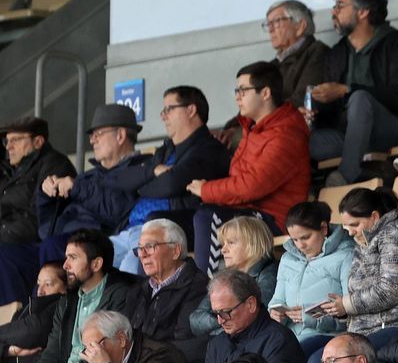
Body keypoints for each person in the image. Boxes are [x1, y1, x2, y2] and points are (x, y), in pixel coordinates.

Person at [0, 230, 137, 363]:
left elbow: (102, 358)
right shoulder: (68, 300)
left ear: (96, 264)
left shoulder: (119, 295)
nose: (65, 265)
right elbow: (52, 351)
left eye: (73, 258)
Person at [190, 62, 311, 267]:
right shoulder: (252, 128)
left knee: (208, 216)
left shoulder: (287, 134)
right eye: (236, 90)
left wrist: (207, 189)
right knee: (164, 220)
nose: (237, 96)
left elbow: (252, 186)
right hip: (248, 210)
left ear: (265, 93)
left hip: (275, 219)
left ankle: (208, 295)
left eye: (243, 90)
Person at [310, 0, 398, 186]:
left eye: (340, 6)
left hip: (390, 130)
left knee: (360, 98)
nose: (333, 12)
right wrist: (314, 109)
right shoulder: (336, 53)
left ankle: (345, 176)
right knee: (296, 137)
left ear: (363, 12)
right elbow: (331, 110)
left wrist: (347, 90)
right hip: (348, 137)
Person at [114, 84, 230, 268]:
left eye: (169, 109)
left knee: (130, 264)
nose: (163, 115)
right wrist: (151, 172)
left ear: (191, 110)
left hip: (168, 228)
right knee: (92, 255)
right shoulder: (166, 150)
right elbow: (120, 180)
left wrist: (141, 186)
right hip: (131, 229)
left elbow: (171, 184)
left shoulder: (208, 149)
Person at [188, 270, 311, 363]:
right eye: (215, 314)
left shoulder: (278, 341)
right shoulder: (217, 344)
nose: (220, 321)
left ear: (251, 304)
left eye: (226, 312)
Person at [34, 103, 154, 256]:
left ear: (120, 136)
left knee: (51, 247)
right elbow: (45, 227)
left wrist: (77, 186)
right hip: (56, 241)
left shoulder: (140, 171)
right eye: (91, 136)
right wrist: (47, 195)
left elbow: (116, 212)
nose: (92, 141)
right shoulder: (88, 176)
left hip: (94, 245)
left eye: (98, 134)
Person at [329, 186, 398, 352]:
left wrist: (347, 304)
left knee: (335, 360)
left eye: (354, 225)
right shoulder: (363, 241)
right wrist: (342, 310)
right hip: (363, 330)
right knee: (317, 358)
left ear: (374, 216)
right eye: (346, 227)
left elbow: (391, 288)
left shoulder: (395, 233)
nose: (350, 232)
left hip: (394, 325)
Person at [0, 118, 74, 304]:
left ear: (38, 142)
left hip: (35, 244)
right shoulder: (11, 170)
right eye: (6, 141)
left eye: (15, 140)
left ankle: (14, 321)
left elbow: (38, 218)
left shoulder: (55, 164)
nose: (9, 146)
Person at [270, 201, 356, 355]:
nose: (300, 245)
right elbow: (277, 299)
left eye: (305, 237)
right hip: (288, 336)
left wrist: (309, 318)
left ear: (323, 229)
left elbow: (350, 314)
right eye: (295, 240)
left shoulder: (346, 256)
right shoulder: (287, 259)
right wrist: (275, 312)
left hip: (327, 338)